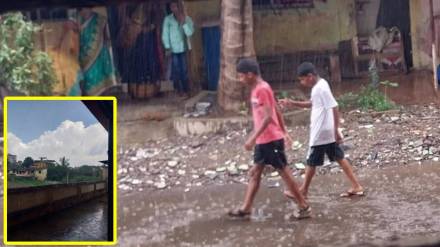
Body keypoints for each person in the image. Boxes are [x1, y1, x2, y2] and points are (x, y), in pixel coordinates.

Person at [228, 58, 312, 220]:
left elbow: (268, 117)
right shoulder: (255, 89)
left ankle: (304, 206)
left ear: (250, 74)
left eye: (241, 76)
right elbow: (276, 110)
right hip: (263, 140)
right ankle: (246, 208)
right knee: (256, 173)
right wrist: (283, 131)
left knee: (284, 173)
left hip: (270, 139)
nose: (240, 79)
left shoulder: (262, 89)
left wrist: (253, 138)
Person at [279, 62, 364, 199]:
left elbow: (334, 107)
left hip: (321, 133)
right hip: (326, 131)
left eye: (302, 79)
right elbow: (312, 103)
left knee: (311, 162)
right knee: (339, 157)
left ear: (310, 76)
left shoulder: (321, 88)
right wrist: (292, 103)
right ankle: (356, 186)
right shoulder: (320, 85)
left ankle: (303, 191)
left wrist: (336, 130)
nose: (301, 82)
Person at [161, 0, 194, 99]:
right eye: (172, 7)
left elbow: (190, 33)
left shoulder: (187, 19)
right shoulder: (168, 19)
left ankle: (186, 91)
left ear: (180, 7)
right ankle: (180, 91)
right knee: (176, 71)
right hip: (173, 50)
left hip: (184, 49)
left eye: (176, 6)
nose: (174, 9)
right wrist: (167, 47)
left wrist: (183, 23)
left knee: (184, 70)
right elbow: (165, 34)